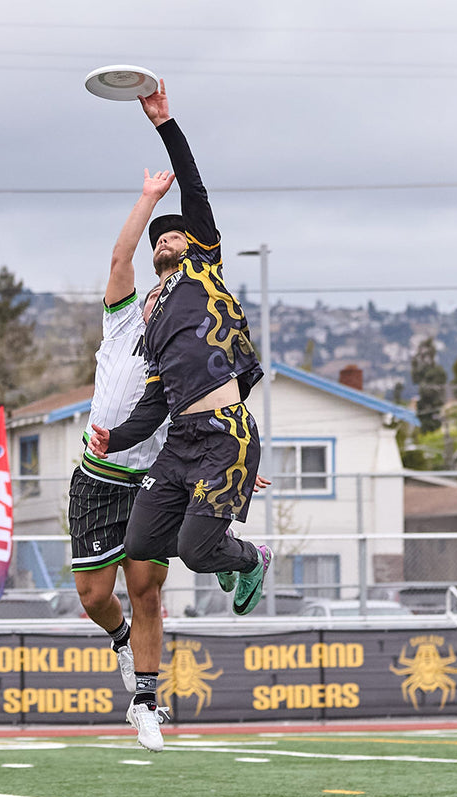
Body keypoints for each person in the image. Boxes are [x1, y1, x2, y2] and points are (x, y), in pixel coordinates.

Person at [88, 82, 273, 639]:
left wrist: (165, 125)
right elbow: (151, 406)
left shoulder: (202, 271)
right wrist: (110, 439)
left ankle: (245, 556)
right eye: (159, 239)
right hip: (180, 443)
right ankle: (214, 542)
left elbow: (194, 190)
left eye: (176, 235)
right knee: (142, 544)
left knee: (193, 552)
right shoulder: (152, 321)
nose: (166, 239)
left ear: (195, 244)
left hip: (223, 434)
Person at [69, 168, 176, 752]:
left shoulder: (184, 343)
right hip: (96, 478)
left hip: (150, 483)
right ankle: (119, 639)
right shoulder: (121, 317)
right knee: (93, 597)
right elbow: (120, 258)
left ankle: (147, 699)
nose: (162, 294)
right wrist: (148, 199)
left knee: (148, 591)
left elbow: (209, 406)